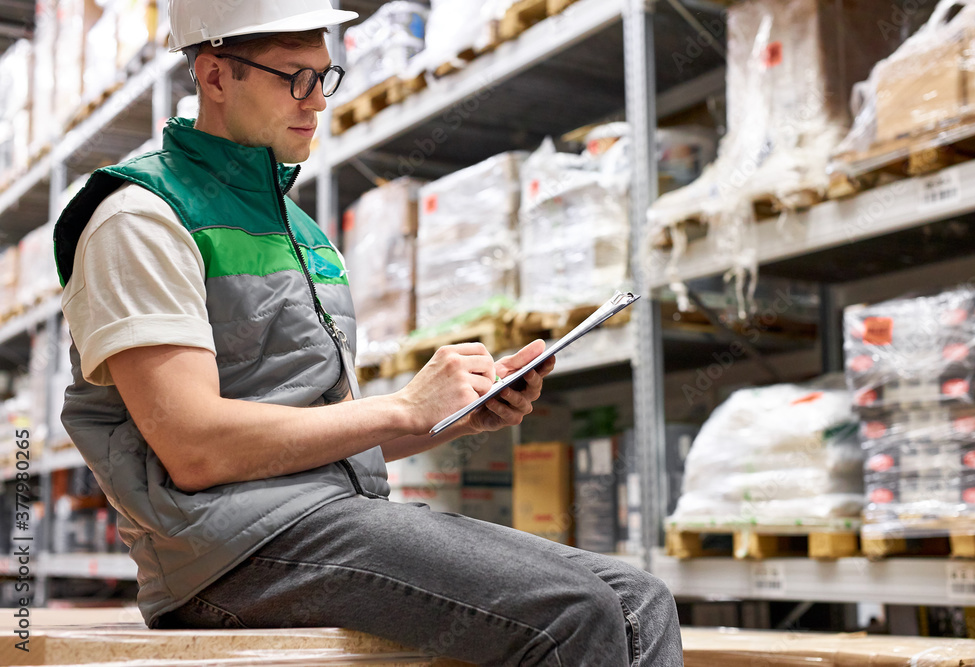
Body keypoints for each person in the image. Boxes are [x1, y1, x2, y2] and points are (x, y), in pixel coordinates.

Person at [52, 1, 683, 664]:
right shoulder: (140, 218)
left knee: (642, 600)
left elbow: (320, 437)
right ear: (214, 76)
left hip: (326, 518)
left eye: (326, 76)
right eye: (295, 78)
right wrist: (405, 405)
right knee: (571, 611)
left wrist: (451, 416)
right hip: (224, 554)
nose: (318, 102)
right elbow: (195, 447)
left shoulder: (301, 232)